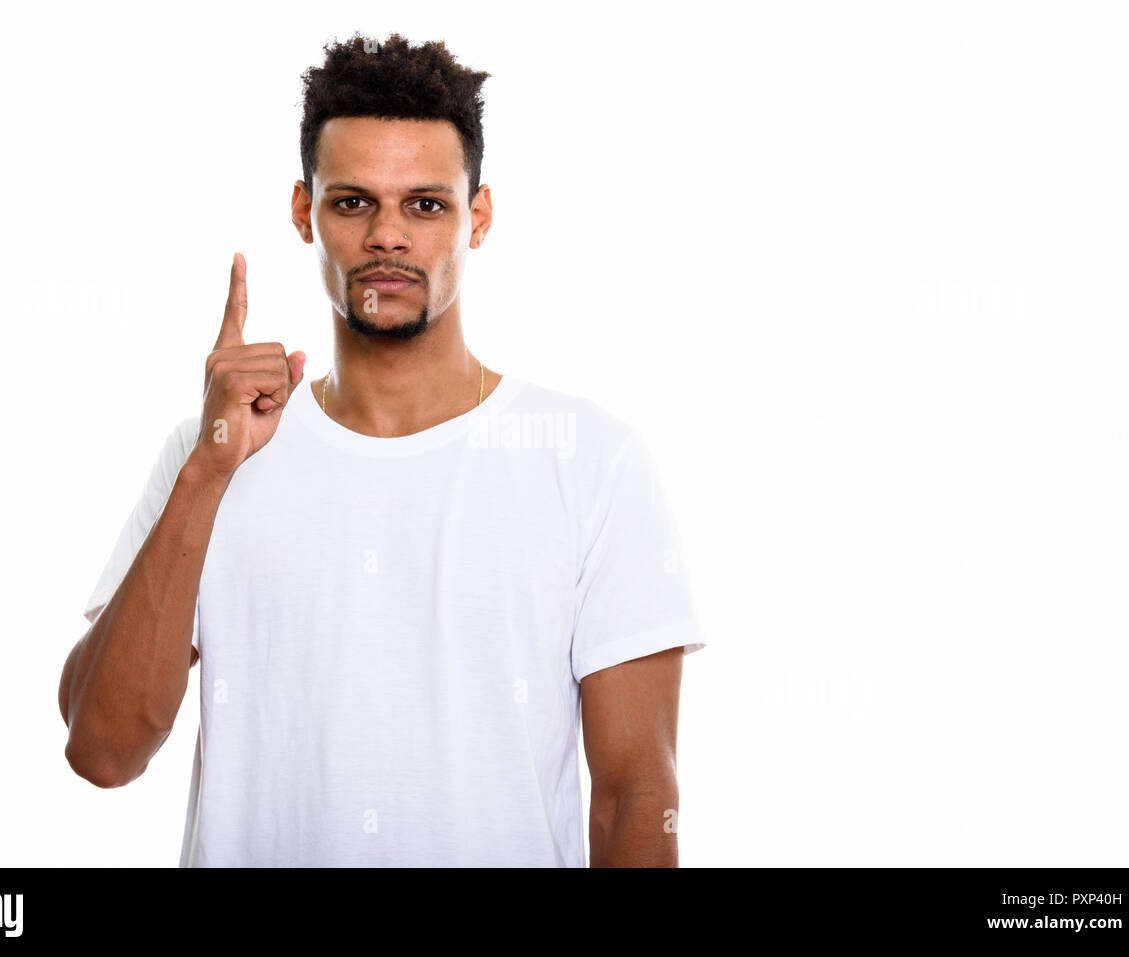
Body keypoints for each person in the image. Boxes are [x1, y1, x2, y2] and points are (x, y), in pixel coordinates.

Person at [58, 32, 705, 867]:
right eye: (354, 202)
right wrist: (207, 473)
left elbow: (634, 799)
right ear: (304, 212)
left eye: (426, 204)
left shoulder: (591, 462)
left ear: (479, 217)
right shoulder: (210, 453)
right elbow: (102, 751)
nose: (388, 236)